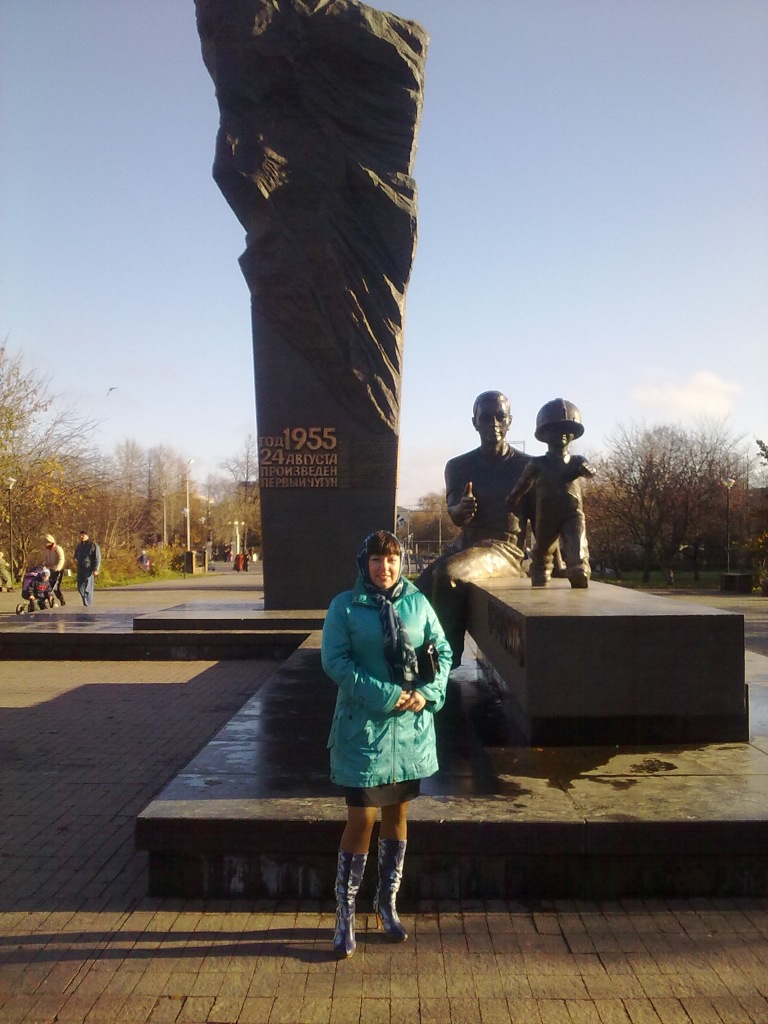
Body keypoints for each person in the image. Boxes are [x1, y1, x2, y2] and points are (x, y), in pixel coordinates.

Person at [321, 530, 452, 959]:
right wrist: (386, 694)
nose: (385, 567)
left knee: (398, 814)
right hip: (364, 731)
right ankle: (345, 914)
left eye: (392, 559)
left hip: (410, 733)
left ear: (401, 562)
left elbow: (443, 651)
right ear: (365, 564)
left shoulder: (417, 602)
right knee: (361, 818)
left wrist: (427, 694)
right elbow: (335, 661)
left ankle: (386, 905)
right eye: (377, 560)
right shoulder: (344, 606)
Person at [416, 391, 533, 669]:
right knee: (414, 592)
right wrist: (462, 509)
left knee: (448, 576)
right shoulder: (458, 466)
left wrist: (555, 564)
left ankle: (444, 661)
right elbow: (455, 515)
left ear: (510, 421)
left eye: (500, 416)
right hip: (466, 544)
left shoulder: (527, 467)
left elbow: (544, 521)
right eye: (486, 417)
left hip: (504, 550)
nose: (494, 423)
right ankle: (412, 655)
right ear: (474, 422)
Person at [506, 398, 595, 588]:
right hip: (547, 515)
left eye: (566, 430)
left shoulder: (576, 461)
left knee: (577, 540)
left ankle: (579, 569)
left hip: (572, 513)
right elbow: (523, 483)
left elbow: (588, 470)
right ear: (544, 434)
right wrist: (513, 497)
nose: (561, 434)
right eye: (555, 430)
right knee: (543, 549)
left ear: (573, 434)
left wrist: (588, 470)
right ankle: (540, 570)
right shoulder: (538, 464)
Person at [73, 530, 101, 607]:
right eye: (81, 535)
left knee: (88, 588)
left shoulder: (93, 545)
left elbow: (97, 558)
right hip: (80, 569)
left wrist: (96, 569)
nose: (81, 537)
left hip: (89, 569)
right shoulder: (79, 546)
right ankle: (85, 602)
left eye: (83, 535)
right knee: (80, 588)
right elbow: (75, 555)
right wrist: (75, 559)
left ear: (87, 536)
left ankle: (87, 605)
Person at [43, 534, 66, 605]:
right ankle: (50, 602)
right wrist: (45, 564)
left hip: (57, 570)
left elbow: (61, 559)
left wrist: (58, 567)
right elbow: (45, 559)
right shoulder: (47, 550)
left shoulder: (58, 549)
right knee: (48, 587)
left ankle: (62, 601)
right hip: (49, 570)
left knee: (55, 588)